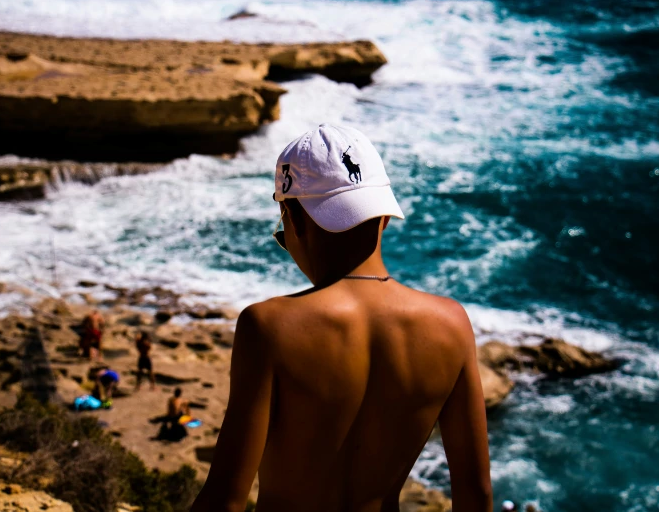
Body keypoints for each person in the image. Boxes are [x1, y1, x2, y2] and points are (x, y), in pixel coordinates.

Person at [191, 124, 492, 512]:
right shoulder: (451, 323)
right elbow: (476, 495)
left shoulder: (269, 327)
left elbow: (224, 500)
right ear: (383, 217)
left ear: (292, 218)